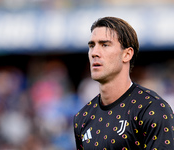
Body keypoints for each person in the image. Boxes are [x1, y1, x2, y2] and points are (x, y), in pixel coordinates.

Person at [73, 16, 174, 150]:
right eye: (92, 46)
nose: (94, 53)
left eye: (105, 45)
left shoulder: (152, 109)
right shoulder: (82, 118)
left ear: (127, 54)